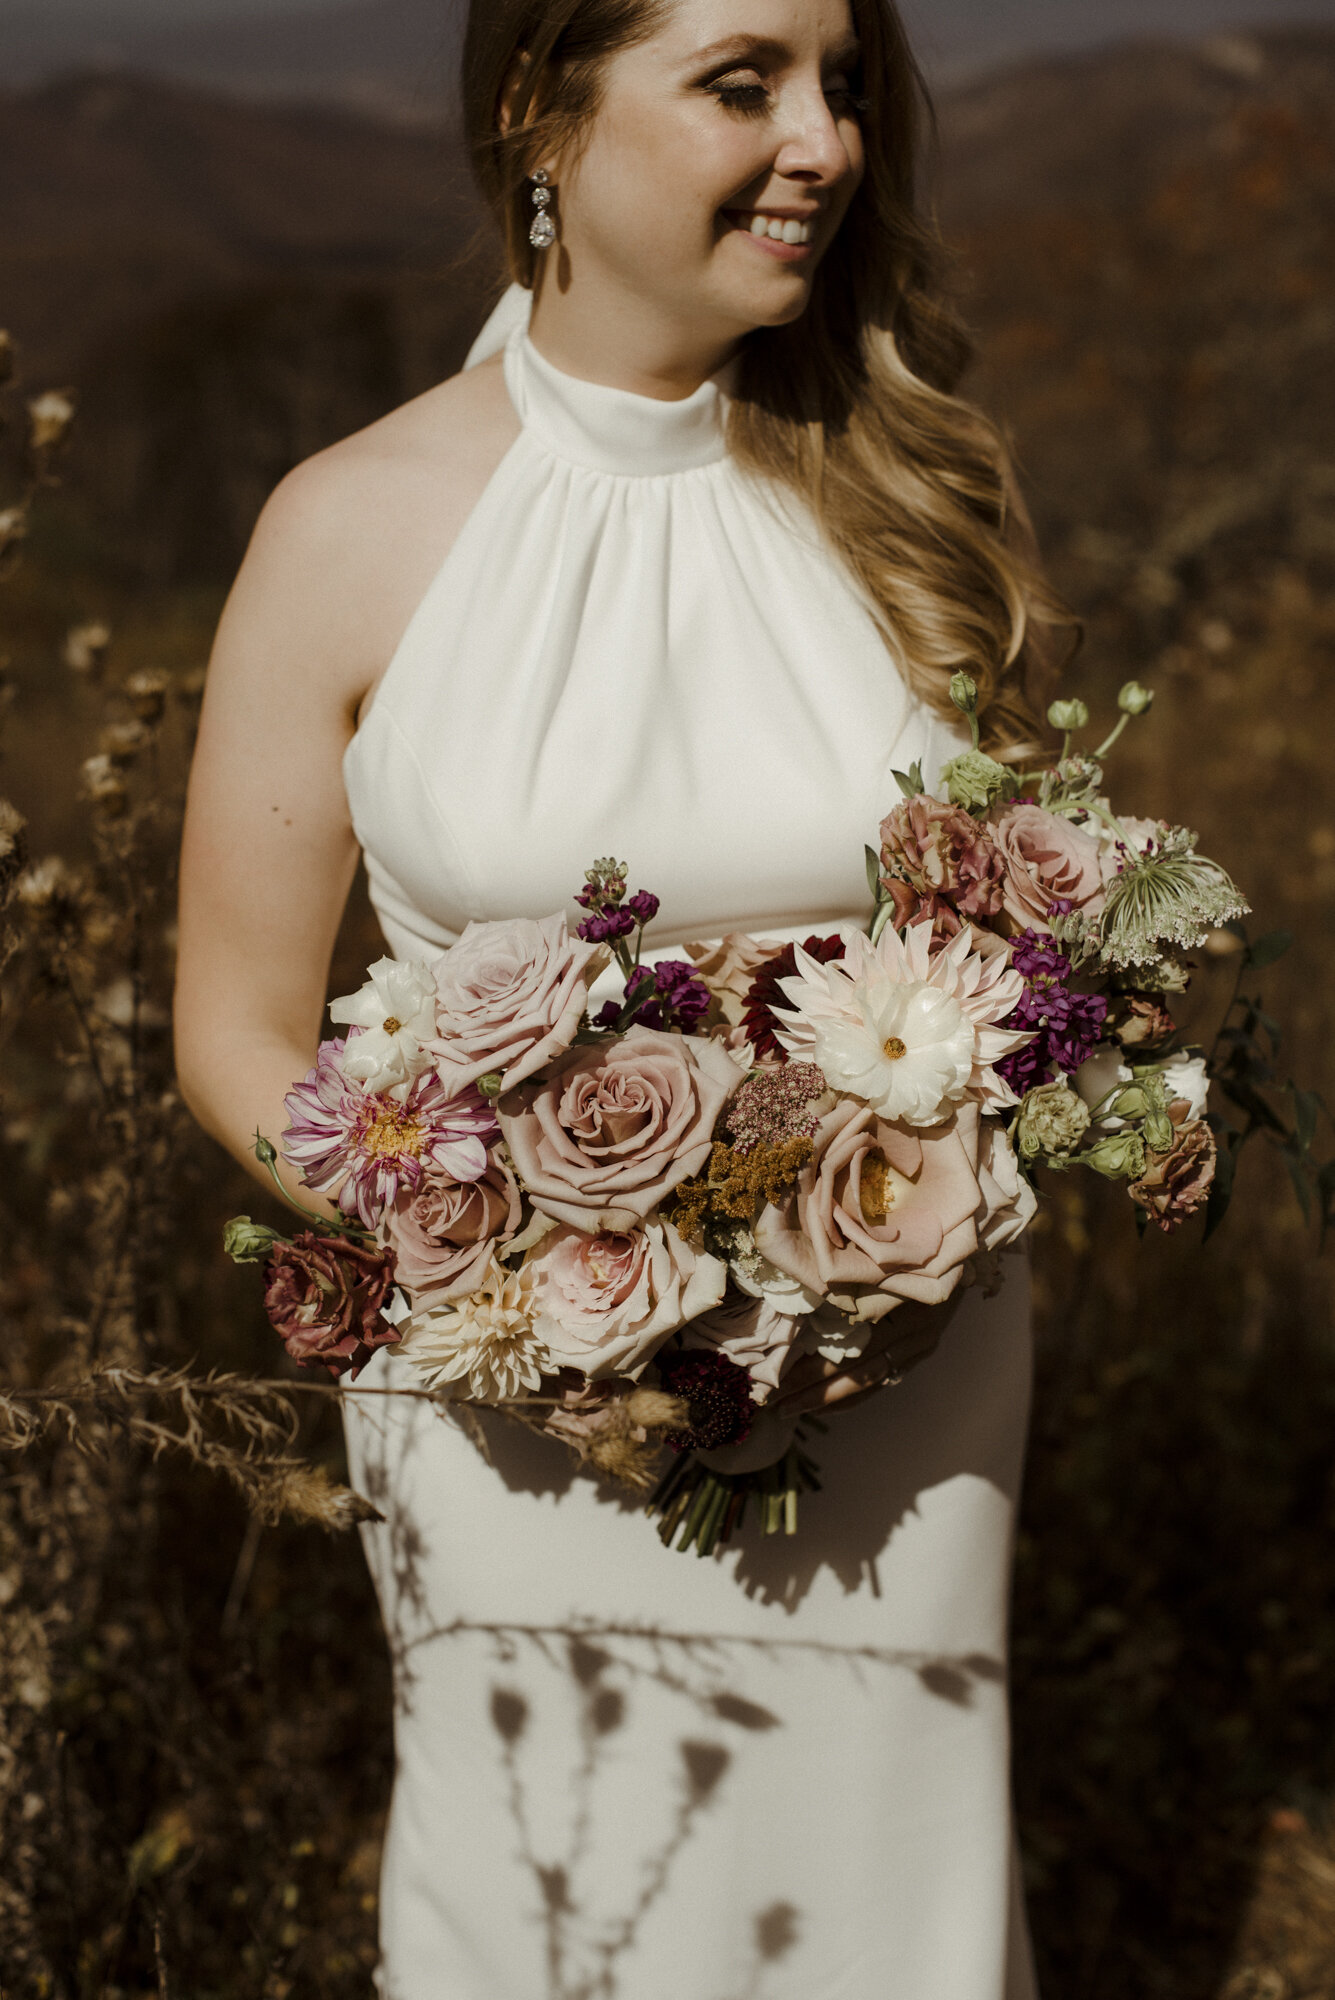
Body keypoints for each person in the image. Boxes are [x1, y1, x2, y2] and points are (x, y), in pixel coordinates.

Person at [176, 1, 1070, 1993]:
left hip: (901, 1379)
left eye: (840, 84)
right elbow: (235, 1031)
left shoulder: (910, 491)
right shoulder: (347, 526)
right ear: (537, 116)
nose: (823, 141)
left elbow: (1003, 934)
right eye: (743, 83)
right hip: (518, 1414)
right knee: (563, 1902)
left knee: (882, 1908)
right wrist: (502, 1269)